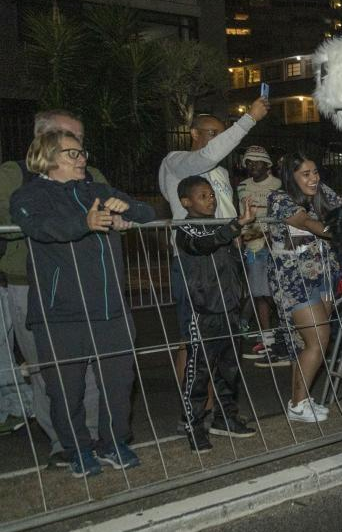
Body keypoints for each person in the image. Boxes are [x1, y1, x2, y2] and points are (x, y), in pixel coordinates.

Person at [11, 130, 155, 477]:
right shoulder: (28, 195)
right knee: (66, 390)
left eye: (82, 153)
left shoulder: (97, 190)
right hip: (60, 314)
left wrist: (127, 209)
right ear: (48, 157)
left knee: (119, 384)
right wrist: (84, 222)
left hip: (111, 311)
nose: (82, 159)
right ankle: (77, 449)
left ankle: (113, 442)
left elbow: (147, 212)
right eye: (72, 154)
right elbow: (43, 226)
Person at [0, 110, 102, 466]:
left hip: (83, 282)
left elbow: (110, 205)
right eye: (66, 138)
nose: (77, 149)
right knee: (47, 370)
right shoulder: (13, 175)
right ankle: (63, 441)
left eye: (80, 140)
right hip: (29, 286)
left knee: (88, 365)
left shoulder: (92, 175)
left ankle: (89, 435)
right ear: (42, 138)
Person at [158, 99, 268, 418]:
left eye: (222, 134)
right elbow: (207, 155)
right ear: (194, 134)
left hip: (225, 261)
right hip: (194, 264)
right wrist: (247, 120)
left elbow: (228, 213)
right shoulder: (177, 161)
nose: (219, 140)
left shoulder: (217, 172)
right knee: (192, 338)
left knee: (226, 339)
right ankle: (195, 411)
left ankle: (221, 408)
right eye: (212, 133)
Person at [174, 176, 257, 453]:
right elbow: (203, 244)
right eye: (202, 196)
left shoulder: (220, 228)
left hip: (229, 310)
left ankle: (226, 419)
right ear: (186, 202)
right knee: (198, 373)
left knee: (229, 371)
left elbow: (232, 264)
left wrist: (240, 300)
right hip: (204, 312)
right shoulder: (186, 229)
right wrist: (235, 226)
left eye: (211, 195)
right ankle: (193, 425)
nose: (210, 199)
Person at [266, 153, 342, 422]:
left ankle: (301, 400)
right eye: (306, 174)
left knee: (307, 343)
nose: (314, 178)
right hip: (294, 281)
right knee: (318, 339)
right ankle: (298, 404)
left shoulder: (321, 192)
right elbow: (305, 222)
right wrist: (336, 229)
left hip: (322, 277)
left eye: (315, 172)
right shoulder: (278, 199)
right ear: (291, 176)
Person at [235, 145, 281, 352]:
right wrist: (241, 238)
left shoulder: (278, 185)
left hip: (275, 246)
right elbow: (242, 216)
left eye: (257, 162)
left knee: (275, 293)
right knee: (260, 294)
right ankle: (268, 337)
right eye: (249, 162)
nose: (253, 165)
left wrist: (273, 236)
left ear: (267, 164)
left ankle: (289, 329)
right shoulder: (242, 186)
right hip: (253, 246)